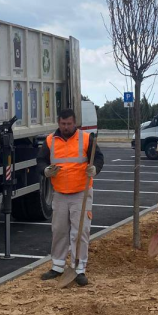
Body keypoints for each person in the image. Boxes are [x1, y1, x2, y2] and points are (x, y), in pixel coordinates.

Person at [36, 108, 104, 286]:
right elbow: (40, 160)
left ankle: (79, 268)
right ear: (59, 123)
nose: (66, 127)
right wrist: (45, 170)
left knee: (80, 232)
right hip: (59, 193)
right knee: (59, 230)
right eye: (63, 124)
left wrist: (95, 168)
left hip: (81, 192)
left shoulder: (86, 139)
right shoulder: (50, 141)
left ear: (75, 123)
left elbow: (98, 158)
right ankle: (57, 266)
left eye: (69, 124)